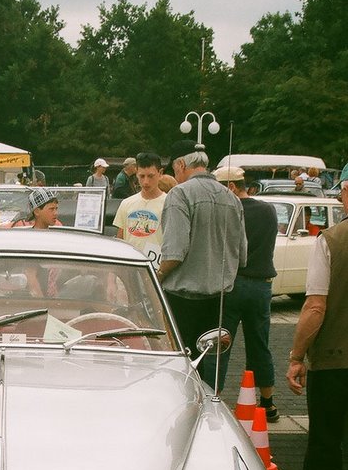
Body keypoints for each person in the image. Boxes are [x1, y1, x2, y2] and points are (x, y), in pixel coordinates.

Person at [286, 163, 348, 470]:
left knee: (326, 439)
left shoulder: (331, 240)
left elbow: (315, 306)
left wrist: (296, 356)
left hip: (335, 360)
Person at [157, 139, 247, 368]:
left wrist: (156, 278)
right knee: (211, 364)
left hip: (182, 299)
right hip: (219, 299)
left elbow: (174, 253)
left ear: (180, 164)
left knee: (181, 363)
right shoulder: (232, 199)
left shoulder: (179, 194)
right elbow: (243, 255)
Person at [203, 165, 279, 420]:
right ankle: (268, 403)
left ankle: (213, 398)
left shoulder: (226, 213)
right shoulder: (268, 211)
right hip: (261, 286)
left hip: (231, 284)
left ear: (232, 187)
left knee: (220, 344)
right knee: (260, 345)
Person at [113, 151, 166, 268]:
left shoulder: (169, 204)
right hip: (129, 268)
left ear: (160, 173)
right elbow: (119, 241)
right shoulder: (126, 203)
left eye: (151, 176)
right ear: (136, 174)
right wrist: (111, 280)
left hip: (157, 271)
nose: (146, 182)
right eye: (142, 176)